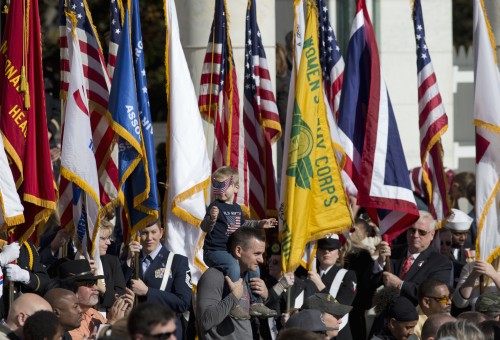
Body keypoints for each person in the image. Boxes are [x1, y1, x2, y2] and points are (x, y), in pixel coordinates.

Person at [200, 166, 277, 318]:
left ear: (235, 188)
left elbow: (242, 225)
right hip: (215, 251)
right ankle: (233, 303)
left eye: (223, 186)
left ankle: (255, 303)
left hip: (232, 251)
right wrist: (212, 219)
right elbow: (204, 226)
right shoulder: (214, 206)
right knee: (233, 266)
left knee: (254, 268)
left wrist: (259, 224)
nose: (219, 190)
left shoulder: (236, 208)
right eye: (216, 185)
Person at [197, 227, 269, 339]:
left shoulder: (248, 277)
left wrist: (263, 298)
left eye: (262, 254)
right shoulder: (214, 276)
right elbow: (205, 321)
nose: (261, 260)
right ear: (238, 251)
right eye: (257, 254)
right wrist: (234, 296)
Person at [123, 221, 191, 340]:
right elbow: (118, 290)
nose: (149, 238)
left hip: (165, 331)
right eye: (144, 233)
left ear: (161, 232)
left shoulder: (177, 262)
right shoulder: (131, 260)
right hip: (138, 329)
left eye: (153, 232)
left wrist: (148, 292)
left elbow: (183, 302)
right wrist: (129, 262)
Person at [372, 211, 452, 305]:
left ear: (432, 235)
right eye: (412, 230)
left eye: (422, 232)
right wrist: (380, 262)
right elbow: (368, 283)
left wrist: (400, 285)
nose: (415, 235)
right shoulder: (392, 253)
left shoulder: (440, 263)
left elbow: (434, 295)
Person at [57, 259, 133, 339]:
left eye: (95, 283)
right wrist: (111, 323)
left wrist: (125, 317)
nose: (96, 288)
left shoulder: (94, 314)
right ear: (71, 288)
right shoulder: (66, 320)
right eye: (89, 284)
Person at [304, 236, 357, 340]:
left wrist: (320, 285)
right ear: (317, 251)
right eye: (323, 249)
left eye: (331, 249)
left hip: (339, 335)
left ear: (339, 253)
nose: (327, 252)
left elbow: (340, 308)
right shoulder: (306, 276)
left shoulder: (348, 276)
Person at [0, 241, 51, 318]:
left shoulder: (25, 246)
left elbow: (44, 282)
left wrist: (26, 276)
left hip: (19, 315)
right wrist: (2, 259)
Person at [97, 219, 126, 313]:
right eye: (103, 238)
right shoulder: (78, 261)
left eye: (109, 238)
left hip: (108, 317)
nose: (109, 242)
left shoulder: (112, 261)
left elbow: (121, 297)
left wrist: (103, 290)